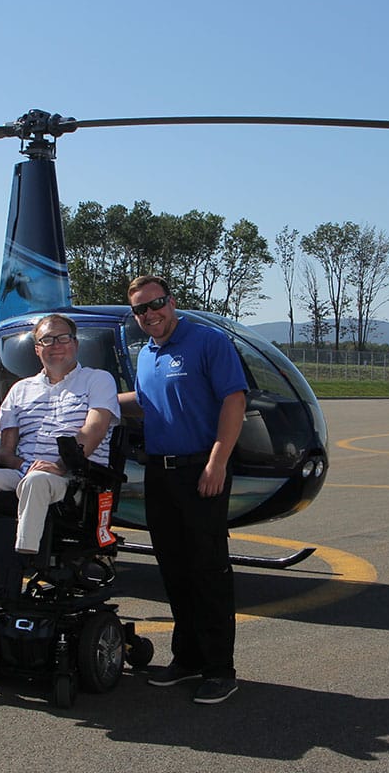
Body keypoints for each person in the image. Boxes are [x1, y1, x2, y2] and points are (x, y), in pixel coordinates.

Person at [120, 275, 248, 705]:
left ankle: (219, 669)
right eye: (141, 310)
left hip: (201, 470)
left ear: (171, 302)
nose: (150, 315)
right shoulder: (146, 355)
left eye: (156, 304)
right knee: (173, 569)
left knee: (208, 571)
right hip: (161, 473)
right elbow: (141, 401)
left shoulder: (207, 342)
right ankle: (187, 658)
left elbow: (234, 400)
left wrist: (217, 462)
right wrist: (90, 397)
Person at [0, 314, 119, 560]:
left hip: (74, 478)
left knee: (37, 481)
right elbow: (4, 453)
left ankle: (25, 556)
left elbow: (94, 430)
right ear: (37, 349)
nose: (56, 345)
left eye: (63, 338)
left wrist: (59, 465)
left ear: (75, 344)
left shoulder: (97, 380)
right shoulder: (20, 390)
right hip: (24, 474)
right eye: (47, 340)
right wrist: (25, 465)